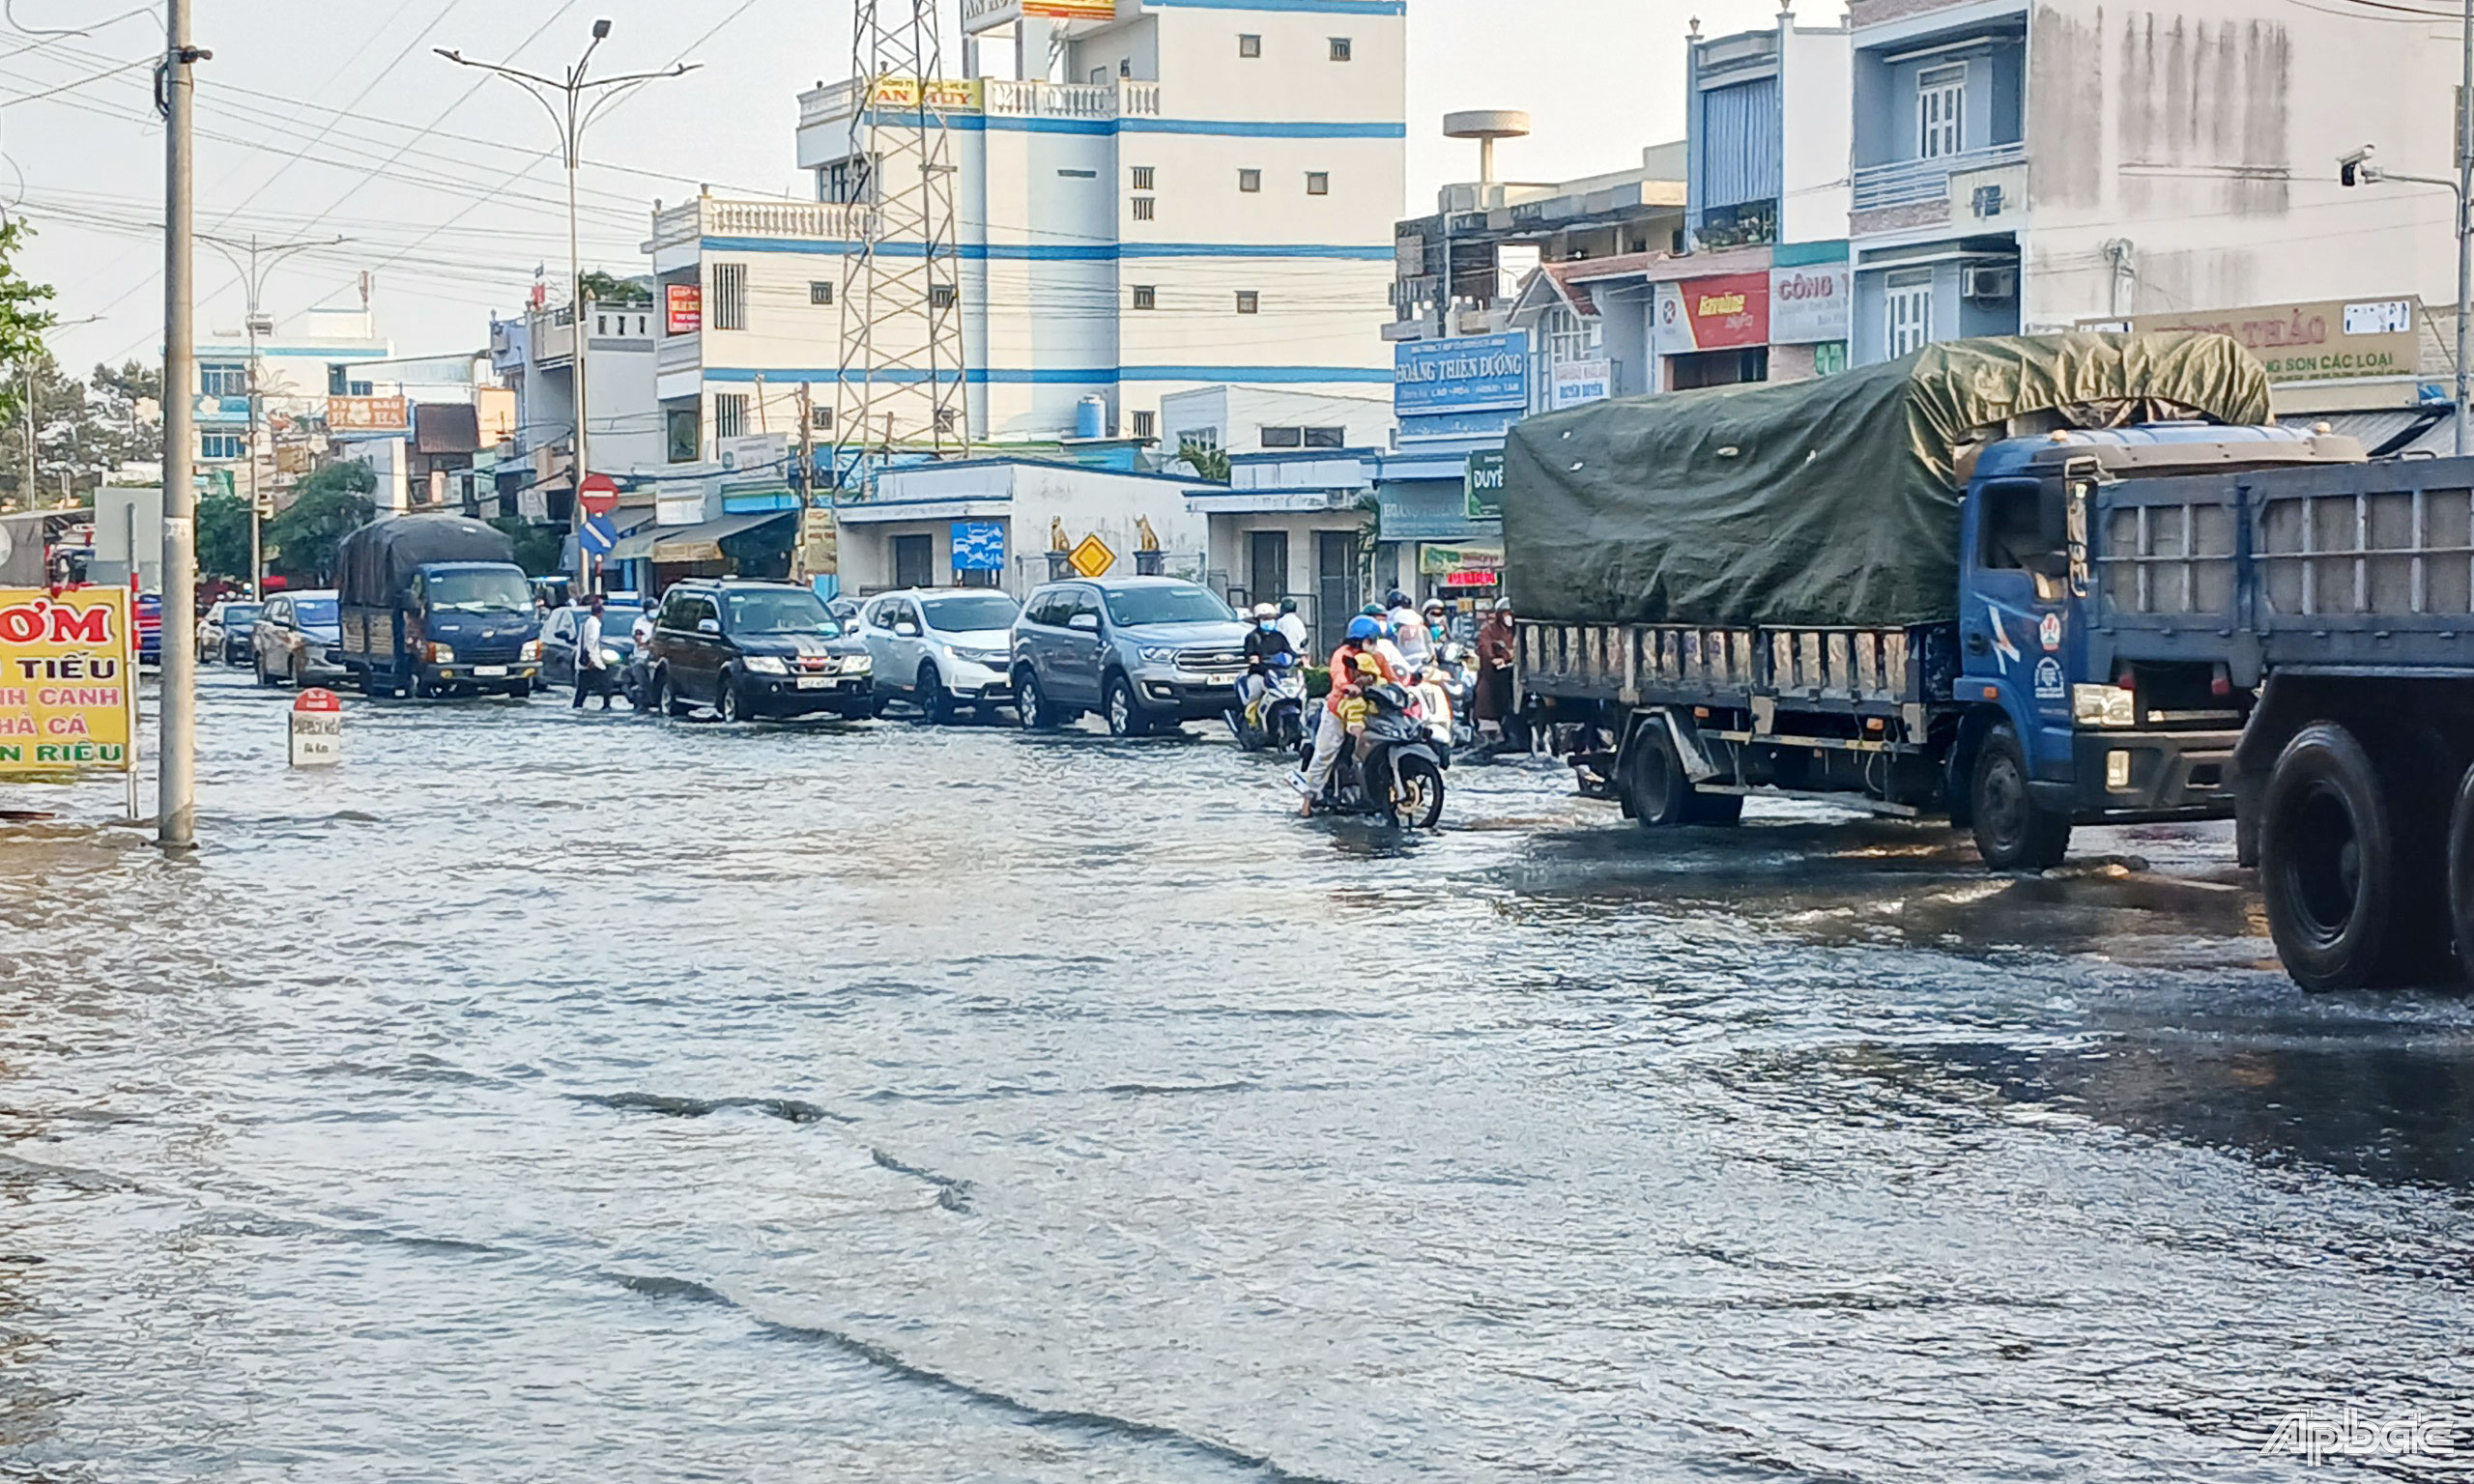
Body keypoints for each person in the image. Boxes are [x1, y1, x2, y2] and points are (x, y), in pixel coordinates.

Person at [1294, 615, 1396, 814]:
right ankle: (1306, 803)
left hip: (1370, 708)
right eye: (1371, 640)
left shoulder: (1377, 656)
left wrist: (1408, 685)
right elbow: (1338, 675)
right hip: (1339, 709)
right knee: (1325, 753)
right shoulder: (1343, 654)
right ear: (1359, 640)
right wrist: (1348, 687)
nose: (1374, 644)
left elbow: (1391, 677)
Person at [1238, 602, 1296, 722]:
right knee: (1254, 695)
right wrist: (1256, 660)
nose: (1269, 621)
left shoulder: (1279, 636)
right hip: (1259, 674)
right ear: (1258, 620)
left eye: (1271, 618)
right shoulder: (1253, 637)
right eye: (1265, 619)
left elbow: (1289, 651)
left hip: (1278, 675)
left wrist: (1298, 658)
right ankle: (1252, 722)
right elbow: (1250, 656)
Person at [1475, 596, 1516, 745]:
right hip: (1494, 674)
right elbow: (1485, 648)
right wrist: (1496, 658)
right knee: (1487, 693)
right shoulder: (1489, 629)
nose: (1509, 617)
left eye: (1511, 614)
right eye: (1505, 614)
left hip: (1515, 672)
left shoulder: (1518, 629)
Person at [572, 594, 616, 710]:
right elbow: (592, 641)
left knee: (583, 686)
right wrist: (591, 658)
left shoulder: (588, 622)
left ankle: (577, 705)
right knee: (605, 682)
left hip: (587, 659)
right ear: (599, 613)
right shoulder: (594, 623)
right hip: (592, 660)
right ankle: (606, 705)